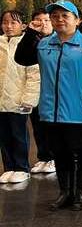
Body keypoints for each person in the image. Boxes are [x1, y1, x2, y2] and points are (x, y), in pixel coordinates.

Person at [15, 0, 82, 211]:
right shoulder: (44, 44)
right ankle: (65, 192)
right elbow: (22, 58)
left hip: (81, 109)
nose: (59, 19)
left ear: (77, 20)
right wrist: (30, 32)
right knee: (60, 152)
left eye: (65, 16)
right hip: (52, 110)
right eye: (55, 16)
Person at [0, 10, 40, 185]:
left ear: (23, 25)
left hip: (18, 100)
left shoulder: (27, 44)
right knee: (4, 136)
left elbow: (34, 76)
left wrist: (29, 100)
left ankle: (22, 168)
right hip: (1, 100)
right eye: (5, 22)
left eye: (13, 23)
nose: (8, 26)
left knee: (19, 135)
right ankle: (9, 167)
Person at [28, 10, 56, 175]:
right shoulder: (30, 41)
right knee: (37, 125)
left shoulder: (58, 40)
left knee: (52, 126)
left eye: (46, 20)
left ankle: (54, 157)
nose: (43, 23)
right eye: (38, 20)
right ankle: (43, 156)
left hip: (52, 90)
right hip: (34, 90)